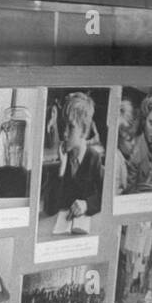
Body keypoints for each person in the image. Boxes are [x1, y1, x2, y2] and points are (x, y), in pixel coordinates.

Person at [41, 91, 103, 231]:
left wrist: (87, 204)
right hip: (62, 231)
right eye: (64, 125)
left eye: (71, 127)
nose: (64, 133)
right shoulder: (63, 158)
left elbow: (104, 196)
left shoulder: (94, 158)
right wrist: (61, 171)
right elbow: (50, 208)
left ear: (84, 131)